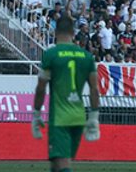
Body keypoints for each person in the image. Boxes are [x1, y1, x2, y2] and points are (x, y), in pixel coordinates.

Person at [32, 14, 100, 172]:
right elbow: (94, 88)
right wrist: (94, 116)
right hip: (79, 117)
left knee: (62, 163)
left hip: (60, 117)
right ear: (73, 33)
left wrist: (36, 113)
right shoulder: (87, 57)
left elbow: (41, 87)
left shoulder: (51, 54)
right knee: (57, 163)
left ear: (55, 32)